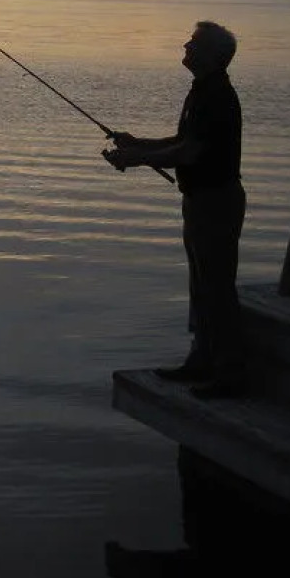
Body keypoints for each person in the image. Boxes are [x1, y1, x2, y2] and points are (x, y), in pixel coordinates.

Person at [102, 21, 247, 399]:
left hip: (217, 200)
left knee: (217, 287)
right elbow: (183, 141)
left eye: (194, 42)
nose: (185, 44)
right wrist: (139, 143)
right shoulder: (202, 91)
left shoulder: (216, 96)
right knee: (201, 286)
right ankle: (201, 360)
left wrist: (136, 159)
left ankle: (230, 373)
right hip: (200, 199)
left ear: (213, 55)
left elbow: (189, 153)